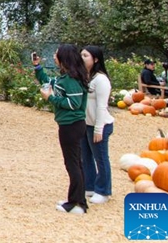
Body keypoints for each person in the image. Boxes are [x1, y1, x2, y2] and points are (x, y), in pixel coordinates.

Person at [33, 44, 90, 214]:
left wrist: (51, 98)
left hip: (71, 126)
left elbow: (74, 104)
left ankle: (76, 204)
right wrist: (37, 66)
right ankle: (78, 200)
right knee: (75, 163)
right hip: (69, 126)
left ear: (64, 58)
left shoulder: (71, 80)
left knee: (73, 164)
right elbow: (47, 81)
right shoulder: (66, 78)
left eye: (56, 54)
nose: (54, 56)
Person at [80, 46, 114, 204]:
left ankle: (103, 190)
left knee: (101, 158)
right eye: (81, 55)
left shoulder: (101, 80)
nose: (82, 57)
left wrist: (99, 129)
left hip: (99, 125)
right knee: (85, 157)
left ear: (96, 59)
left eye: (85, 55)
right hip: (86, 124)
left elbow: (102, 106)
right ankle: (90, 185)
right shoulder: (86, 77)